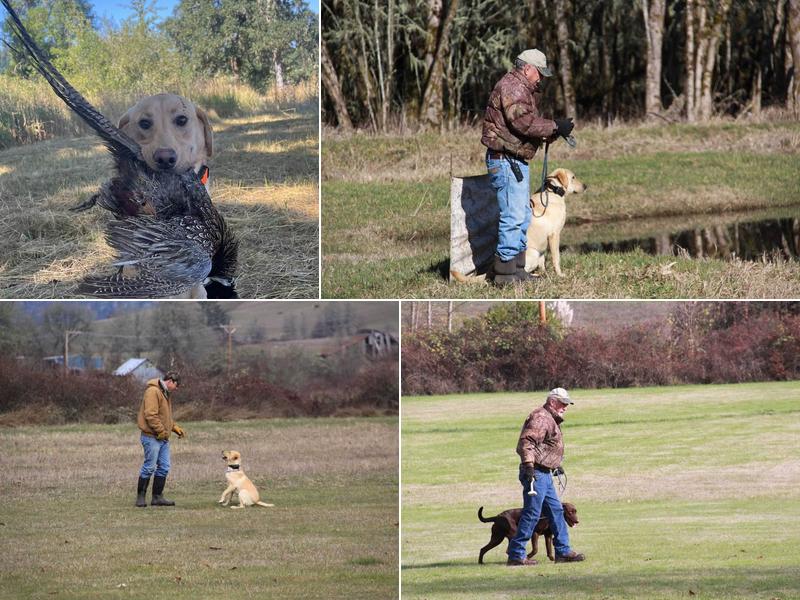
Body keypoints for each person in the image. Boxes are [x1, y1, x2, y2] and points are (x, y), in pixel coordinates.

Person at [481, 49, 575, 286]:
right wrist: (555, 126)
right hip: (505, 160)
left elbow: (519, 129)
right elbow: (523, 123)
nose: (541, 78)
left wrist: (551, 133)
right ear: (527, 68)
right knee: (512, 217)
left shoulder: (521, 88)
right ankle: (504, 274)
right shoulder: (512, 87)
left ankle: (518, 269)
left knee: (522, 216)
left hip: (514, 160)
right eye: (539, 73)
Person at [507, 387, 585, 565]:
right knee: (532, 513)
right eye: (563, 403)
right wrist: (528, 465)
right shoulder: (542, 418)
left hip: (544, 472)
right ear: (552, 402)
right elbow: (526, 442)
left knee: (556, 511)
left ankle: (563, 552)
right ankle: (516, 555)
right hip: (536, 473)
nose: (565, 407)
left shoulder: (550, 418)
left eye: (567, 404)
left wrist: (555, 464)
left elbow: (544, 447)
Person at [135, 371, 186, 507]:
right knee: (149, 467)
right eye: (177, 385)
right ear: (170, 381)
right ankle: (140, 498)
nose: (177, 388)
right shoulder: (153, 391)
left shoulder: (164, 393)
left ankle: (157, 498)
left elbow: (165, 417)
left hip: (162, 437)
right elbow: (150, 415)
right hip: (152, 437)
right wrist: (162, 432)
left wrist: (174, 428)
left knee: (164, 467)